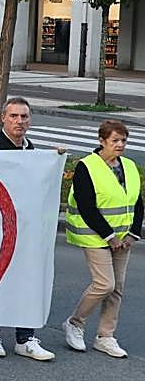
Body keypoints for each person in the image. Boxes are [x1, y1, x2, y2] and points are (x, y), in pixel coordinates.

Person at [0, 97, 63, 360]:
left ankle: (25, 338)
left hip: (25, 230)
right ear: (3, 118)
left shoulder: (30, 150)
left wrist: (54, 160)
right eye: (13, 116)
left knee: (27, 280)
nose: (19, 122)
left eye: (24, 117)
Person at [61, 119, 140, 358]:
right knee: (105, 284)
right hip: (95, 235)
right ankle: (75, 323)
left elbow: (138, 201)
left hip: (123, 237)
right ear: (102, 141)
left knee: (118, 287)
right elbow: (87, 206)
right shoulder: (88, 166)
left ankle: (105, 336)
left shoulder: (128, 166)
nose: (120, 145)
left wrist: (132, 233)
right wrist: (109, 236)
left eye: (123, 140)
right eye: (115, 140)